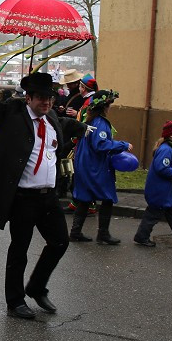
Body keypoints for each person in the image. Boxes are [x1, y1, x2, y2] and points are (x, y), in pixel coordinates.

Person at [0, 72, 82, 319]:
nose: (47, 103)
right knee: (19, 249)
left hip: (48, 196)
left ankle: (37, 286)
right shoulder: (13, 115)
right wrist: (11, 101)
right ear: (29, 97)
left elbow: (60, 130)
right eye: (41, 98)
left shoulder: (50, 118)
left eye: (50, 98)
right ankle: (15, 301)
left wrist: (80, 128)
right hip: (23, 198)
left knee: (60, 241)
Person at [70, 89, 131, 244]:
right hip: (94, 166)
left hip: (84, 164)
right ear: (104, 106)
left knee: (84, 198)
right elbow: (100, 144)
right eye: (109, 105)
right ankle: (103, 234)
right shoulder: (100, 123)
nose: (110, 108)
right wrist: (123, 145)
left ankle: (75, 232)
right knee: (107, 197)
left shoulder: (90, 120)